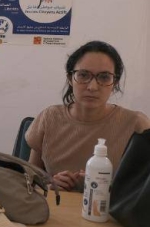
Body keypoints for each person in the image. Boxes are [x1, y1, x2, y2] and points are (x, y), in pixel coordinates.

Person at [26, 41, 150, 191]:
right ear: (70, 78)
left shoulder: (137, 125)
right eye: (83, 75)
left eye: (104, 77)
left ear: (114, 82)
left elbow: (143, 190)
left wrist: (108, 187)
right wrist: (49, 186)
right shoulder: (49, 118)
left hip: (109, 212)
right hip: (57, 209)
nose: (92, 87)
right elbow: (29, 182)